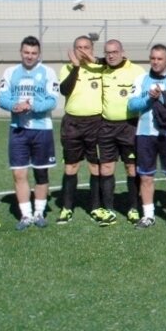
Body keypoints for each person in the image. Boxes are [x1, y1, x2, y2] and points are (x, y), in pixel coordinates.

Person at [0, 36, 59, 230]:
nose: (29, 56)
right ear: (21, 52)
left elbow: (52, 100)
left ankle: (39, 213)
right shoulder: (10, 72)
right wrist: (14, 106)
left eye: (33, 53)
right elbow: (2, 98)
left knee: (41, 173)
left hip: (42, 130)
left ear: (38, 54)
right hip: (18, 130)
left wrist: (32, 105)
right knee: (19, 174)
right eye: (26, 52)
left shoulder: (48, 72)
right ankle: (26, 215)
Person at [127, 44, 166, 229]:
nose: (155, 62)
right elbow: (132, 105)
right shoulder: (141, 79)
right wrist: (148, 99)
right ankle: (148, 216)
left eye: (159, 59)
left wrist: (162, 97)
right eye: (153, 58)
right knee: (146, 177)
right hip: (145, 134)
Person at [56, 35, 106, 224]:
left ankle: (95, 207)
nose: (83, 50)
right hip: (72, 124)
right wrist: (76, 67)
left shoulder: (101, 69)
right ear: (74, 50)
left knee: (95, 166)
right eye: (79, 47)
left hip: (96, 123)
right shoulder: (66, 68)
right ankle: (67, 208)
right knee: (71, 166)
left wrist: (92, 61)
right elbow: (65, 90)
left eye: (87, 47)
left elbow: (117, 64)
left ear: (92, 50)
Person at [97, 39, 145, 224]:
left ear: (122, 52)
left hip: (130, 126)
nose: (111, 55)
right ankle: (109, 209)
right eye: (108, 52)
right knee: (106, 168)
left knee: (131, 168)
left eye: (115, 51)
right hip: (106, 126)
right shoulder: (102, 71)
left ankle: (133, 207)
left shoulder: (137, 71)